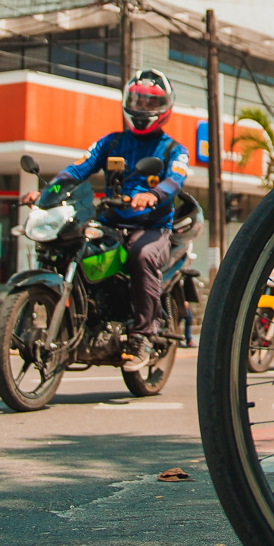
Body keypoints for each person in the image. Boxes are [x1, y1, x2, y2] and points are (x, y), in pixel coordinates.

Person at [34, 69, 191, 371]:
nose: (143, 108)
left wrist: (154, 195)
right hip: (109, 223)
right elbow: (76, 170)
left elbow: (176, 180)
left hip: (151, 228)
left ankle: (143, 335)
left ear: (164, 107)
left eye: (150, 102)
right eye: (138, 101)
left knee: (142, 255)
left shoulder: (174, 150)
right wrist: (45, 194)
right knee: (71, 247)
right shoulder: (111, 143)